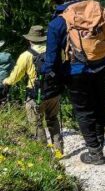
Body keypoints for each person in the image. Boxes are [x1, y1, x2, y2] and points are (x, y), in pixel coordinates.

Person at [43, 0, 105, 164]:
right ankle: (99, 145)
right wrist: (102, 57)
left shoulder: (57, 22)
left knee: (84, 110)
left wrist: (52, 74)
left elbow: (51, 58)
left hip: (76, 71)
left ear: (59, 1)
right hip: (102, 67)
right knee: (100, 104)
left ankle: (94, 152)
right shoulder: (97, 12)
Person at [3, 26, 63, 156]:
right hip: (54, 92)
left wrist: (6, 83)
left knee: (36, 124)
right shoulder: (55, 52)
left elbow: (16, 76)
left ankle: (44, 155)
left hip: (35, 94)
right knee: (53, 119)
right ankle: (59, 151)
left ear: (30, 40)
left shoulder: (26, 56)